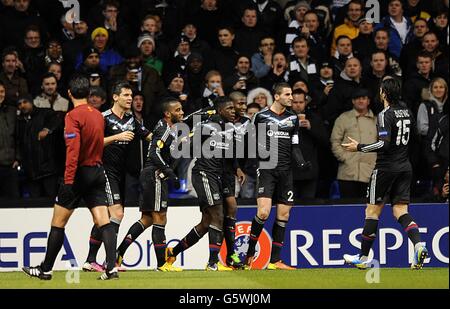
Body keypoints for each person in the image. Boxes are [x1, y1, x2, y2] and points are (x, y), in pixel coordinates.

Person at [22, 75, 119, 280]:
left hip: (77, 174)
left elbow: (73, 150)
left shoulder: (72, 116)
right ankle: (111, 267)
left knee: (58, 223)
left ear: (69, 93)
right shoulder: (99, 116)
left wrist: (68, 179)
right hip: (97, 171)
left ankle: (45, 269)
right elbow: (99, 143)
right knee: (104, 220)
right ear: (89, 94)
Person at [342, 77, 428, 270]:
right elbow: (415, 138)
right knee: (400, 211)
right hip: (405, 167)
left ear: (384, 93)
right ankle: (419, 245)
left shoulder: (384, 114)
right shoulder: (407, 111)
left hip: (385, 168)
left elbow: (383, 144)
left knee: (372, 211)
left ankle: (363, 258)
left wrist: (359, 147)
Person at [82, 82, 152, 272]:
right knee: (117, 213)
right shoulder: (102, 118)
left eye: (131, 95)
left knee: (104, 217)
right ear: (115, 97)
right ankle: (110, 262)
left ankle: (91, 260)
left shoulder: (131, 119)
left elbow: (149, 136)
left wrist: (169, 138)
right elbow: (92, 144)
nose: (130, 98)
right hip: (103, 170)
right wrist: (117, 137)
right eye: (126, 95)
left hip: (120, 174)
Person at [164, 96, 239, 271]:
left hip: (218, 176)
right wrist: (169, 170)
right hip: (204, 174)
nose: (233, 111)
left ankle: (173, 252)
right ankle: (213, 263)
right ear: (220, 111)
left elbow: (229, 155)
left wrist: (236, 169)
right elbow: (184, 146)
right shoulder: (206, 126)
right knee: (218, 215)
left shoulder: (229, 129)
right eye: (229, 108)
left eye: (233, 108)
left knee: (206, 223)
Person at [244, 83, 310, 270]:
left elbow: (294, 145)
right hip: (266, 168)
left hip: (286, 171)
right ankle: (250, 253)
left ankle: (275, 261)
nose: (291, 98)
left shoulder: (293, 118)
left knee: (283, 214)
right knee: (263, 212)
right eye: (288, 94)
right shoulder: (260, 116)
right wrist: (243, 166)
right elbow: (246, 140)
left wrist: (301, 162)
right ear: (277, 96)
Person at [116, 98, 184, 272]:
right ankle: (162, 264)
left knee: (147, 219)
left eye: (182, 109)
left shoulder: (165, 128)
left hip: (149, 174)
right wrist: (168, 171)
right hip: (155, 174)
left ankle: (119, 253)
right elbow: (154, 153)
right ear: (168, 114)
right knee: (160, 217)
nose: (181, 112)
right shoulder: (165, 130)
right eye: (177, 110)